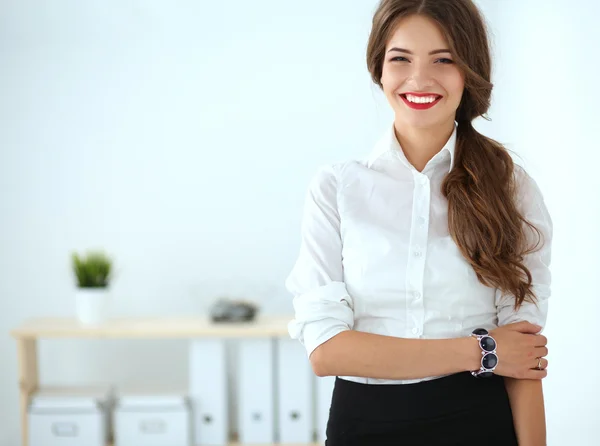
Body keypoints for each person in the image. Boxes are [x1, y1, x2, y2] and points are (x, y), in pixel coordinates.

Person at [284, 0, 553, 445]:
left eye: (443, 60)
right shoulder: (336, 187)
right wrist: (483, 351)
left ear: (469, 71)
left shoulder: (510, 187)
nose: (420, 79)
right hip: (362, 426)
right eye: (401, 59)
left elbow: (522, 357)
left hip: (481, 423)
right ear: (380, 70)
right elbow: (327, 351)